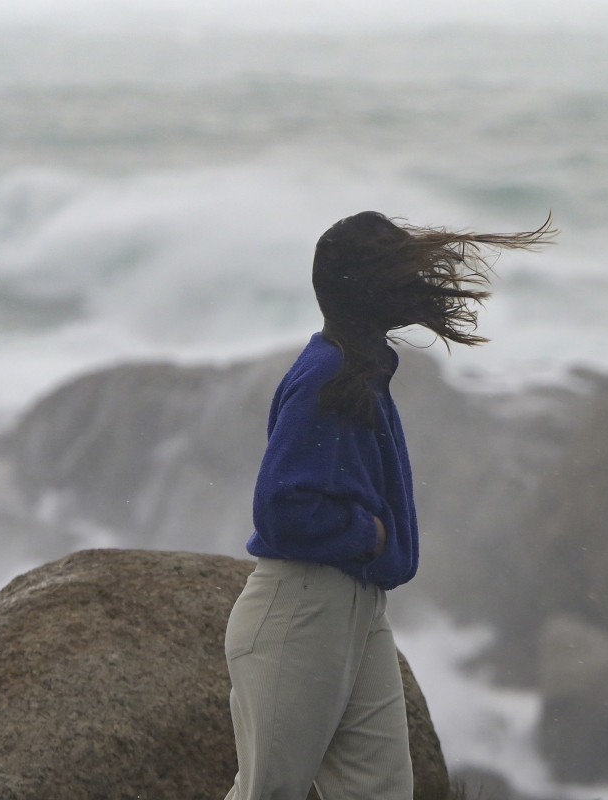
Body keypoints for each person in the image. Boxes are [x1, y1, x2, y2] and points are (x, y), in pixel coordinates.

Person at [222, 211, 554, 800]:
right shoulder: (328, 371)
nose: (418, 276)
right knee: (269, 793)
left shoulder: (359, 368)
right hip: (301, 608)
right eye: (400, 266)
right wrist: (366, 535)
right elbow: (280, 506)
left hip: (357, 609)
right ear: (368, 289)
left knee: (382, 791)